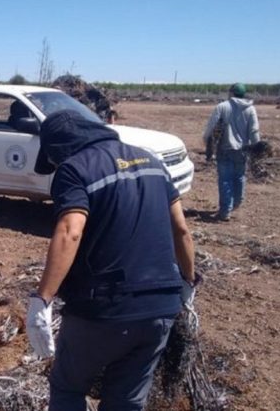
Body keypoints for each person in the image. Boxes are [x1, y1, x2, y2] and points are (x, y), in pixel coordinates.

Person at [25, 109, 197, 411]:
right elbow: (181, 229)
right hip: (161, 307)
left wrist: (43, 299)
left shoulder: (74, 169)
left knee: (68, 387)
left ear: (59, 147)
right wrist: (188, 281)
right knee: (126, 400)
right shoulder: (152, 162)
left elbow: (70, 231)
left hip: (103, 308)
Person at [203, 83, 261, 221]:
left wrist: (207, 144)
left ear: (231, 93)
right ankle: (236, 202)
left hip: (224, 149)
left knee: (225, 180)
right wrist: (256, 147)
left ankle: (225, 211)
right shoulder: (250, 109)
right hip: (242, 151)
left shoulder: (222, 107)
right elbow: (254, 131)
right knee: (239, 177)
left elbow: (211, 128)